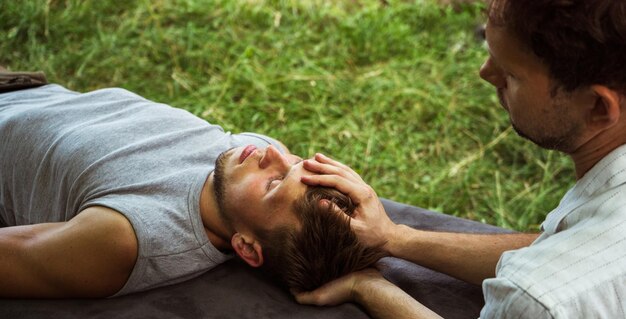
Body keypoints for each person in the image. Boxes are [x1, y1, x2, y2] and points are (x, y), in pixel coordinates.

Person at [294, 0, 626, 319]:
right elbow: (566, 247)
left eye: (511, 74)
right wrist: (395, 239)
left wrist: (369, 287)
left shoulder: (539, 301)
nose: (485, 74)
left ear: (598, 107)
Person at [0, 71, 383, 298]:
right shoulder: (253, 157)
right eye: (297, 163)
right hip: (25, 86)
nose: (274, 155)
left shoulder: (132, 236)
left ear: (246, 247)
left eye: (274, 184)